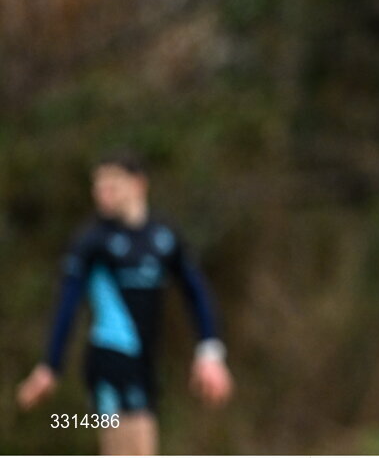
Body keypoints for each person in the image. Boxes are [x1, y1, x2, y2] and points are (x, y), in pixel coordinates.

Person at [16, 152, 233, 455]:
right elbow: (67, 304)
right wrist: (51, 366)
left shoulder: (164, 236)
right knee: (134, 445)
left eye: (112, 185)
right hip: (110, 358)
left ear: (138, 185)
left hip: (146, 363)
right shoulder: (92, 242)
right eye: (98, 186)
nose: (102, 193)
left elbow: (196, 292)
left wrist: (210, 351)